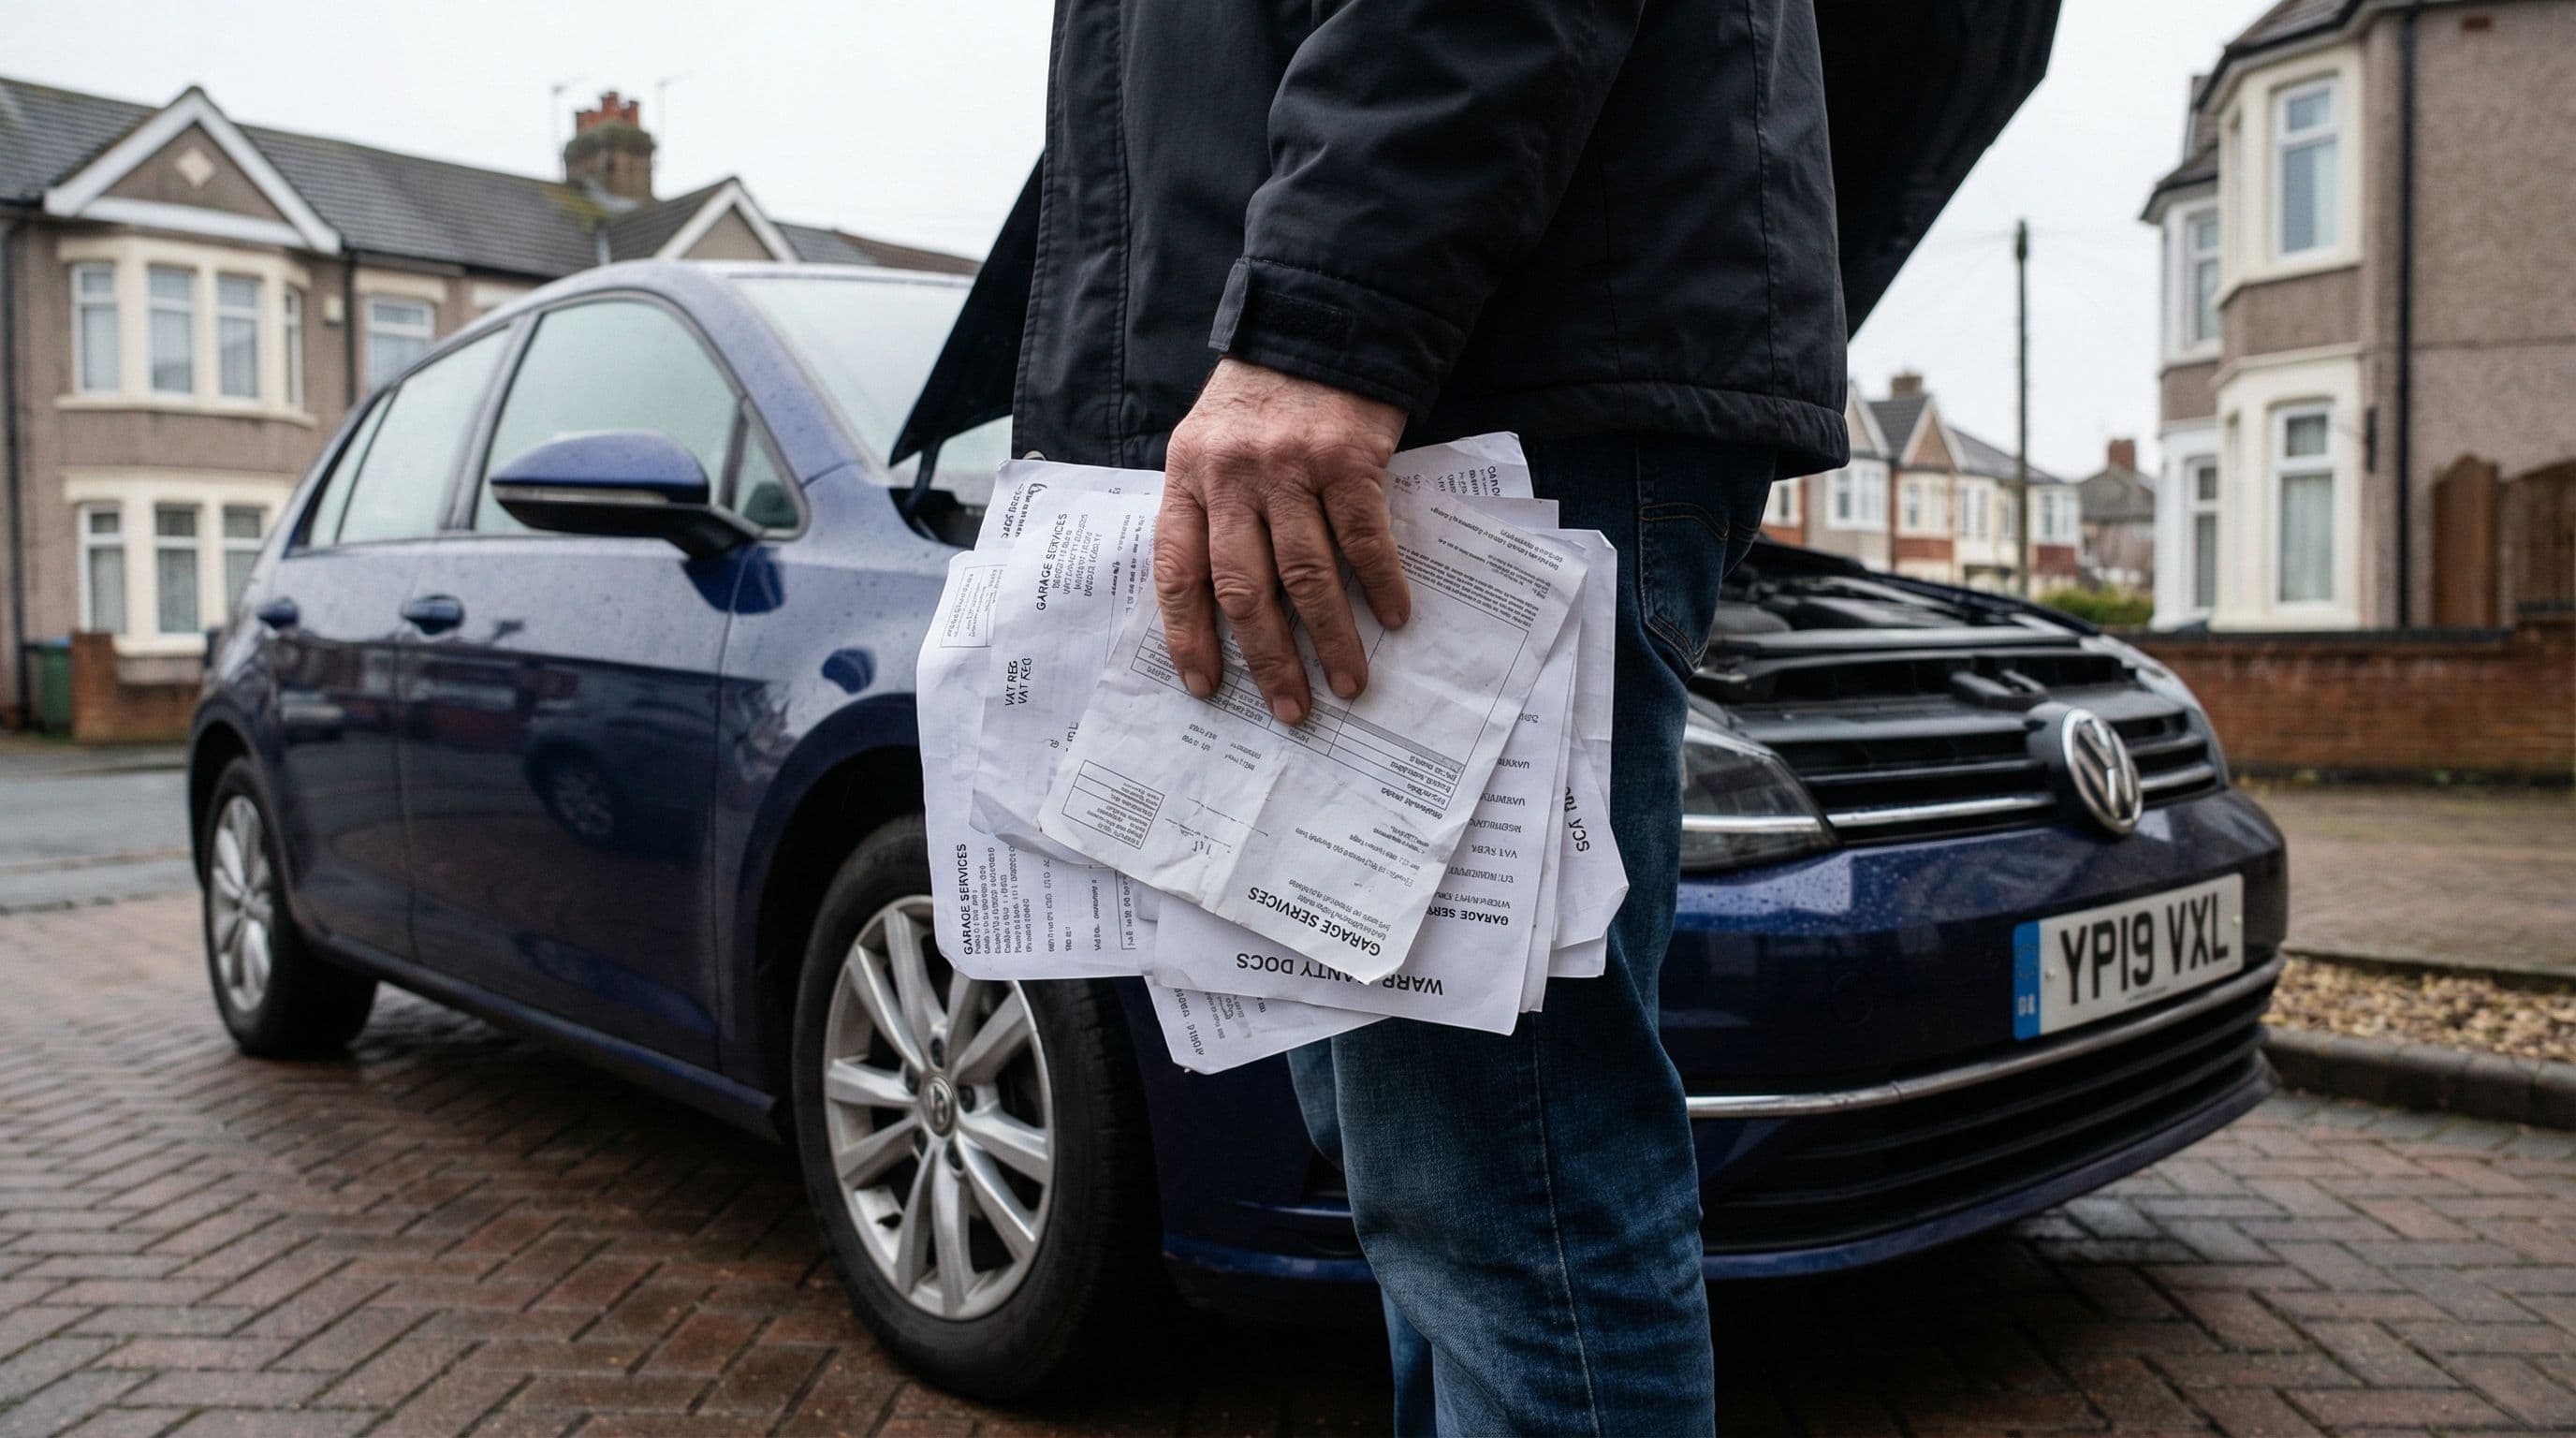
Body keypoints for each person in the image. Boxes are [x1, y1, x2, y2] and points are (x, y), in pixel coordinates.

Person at [1012, 3, 1848, 1431]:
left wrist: (1322, 322)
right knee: (1434, 1182)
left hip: (1466, 389)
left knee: (1508, 1190)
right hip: (1439, 363)